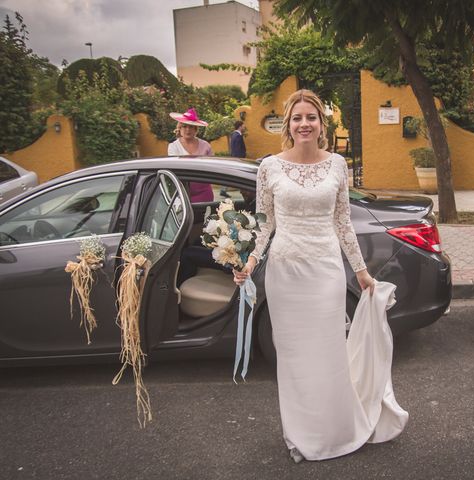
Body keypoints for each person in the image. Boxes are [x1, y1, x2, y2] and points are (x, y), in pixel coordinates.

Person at [233, 89, 407, 462]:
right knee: (294, 357)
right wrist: (248, 264)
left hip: (326, 271)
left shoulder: (337, 165)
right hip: (285, 272)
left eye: (311, 117)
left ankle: (334, 430)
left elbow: (343, 222)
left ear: (321, 123)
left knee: (328, 353)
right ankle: (301, 434)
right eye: (297, 118)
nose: (304, 124)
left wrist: (360, 272)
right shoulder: (269, 168)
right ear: (288, 124)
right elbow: (265, 224)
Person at [168, 107, 214, 203]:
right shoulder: (173, 147)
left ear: (196, 129)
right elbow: (174, 170)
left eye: (191, 127)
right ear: (179, 128)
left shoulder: (205, 145)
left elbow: (213, 167)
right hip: (182, 191)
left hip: (204, 191)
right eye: (184, 126)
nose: (188, 130)